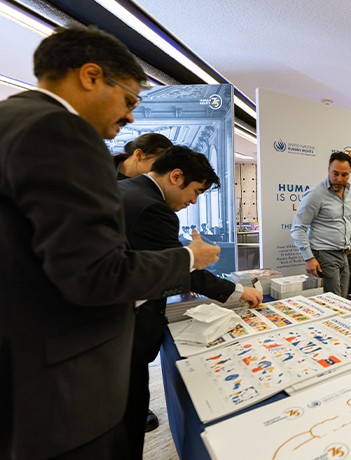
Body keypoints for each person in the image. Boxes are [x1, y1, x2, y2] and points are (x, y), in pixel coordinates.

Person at [0, 25, 220, 459]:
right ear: (90, 75)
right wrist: (189, 258)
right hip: (64, 384)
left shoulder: (12, 120)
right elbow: (99, 274)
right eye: (129, 100)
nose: (131, 119)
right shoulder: (61, 132)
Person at [118, 145, 263, 458]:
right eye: (196, 191)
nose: (193, 201)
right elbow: (183, 272)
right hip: (123, 336)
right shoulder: (153, 209)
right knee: (125, 422)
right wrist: (236, 291)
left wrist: (191, 258)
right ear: (176, 176)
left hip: (112, 335)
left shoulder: (127, 190)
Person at [114, 132, 173, 434]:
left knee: (133, 369)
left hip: (138, 301)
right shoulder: (98, 182)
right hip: (115, 301)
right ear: (138, 155)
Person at [291, 151, 351, 296]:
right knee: (335, 302)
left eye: (344, 175)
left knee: (342, 300)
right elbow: (298, 228)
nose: (339, 179)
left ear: (350, 173)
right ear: (328, 171)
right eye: (335, 173)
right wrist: (309, 257)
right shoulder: (316, 194)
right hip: (324, 254)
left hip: (344, 254)